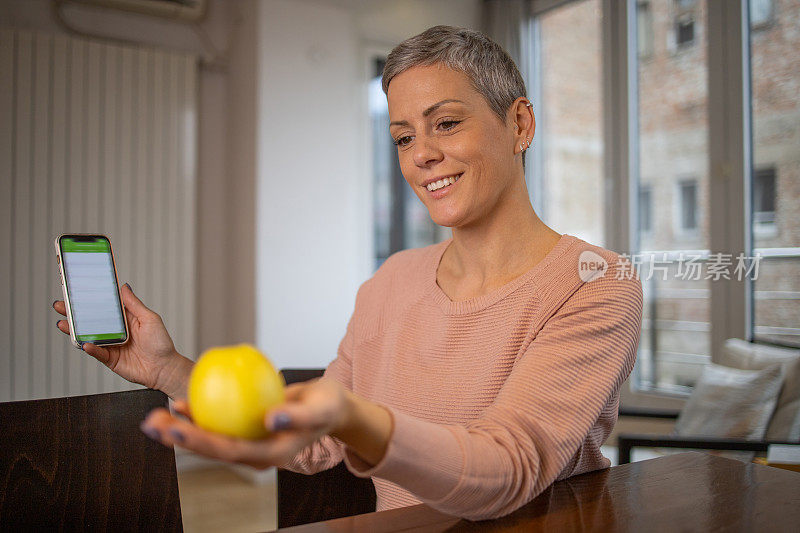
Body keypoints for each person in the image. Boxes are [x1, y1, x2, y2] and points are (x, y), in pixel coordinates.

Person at [53, 25, 643, 521]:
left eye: (446, 124)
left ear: (519, 125)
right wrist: (167, 367)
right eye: (403, 137)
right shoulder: (392, 282)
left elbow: (507, 469)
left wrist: (356, 415)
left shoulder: (596, 284)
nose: (421, 155)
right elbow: (314, 443)